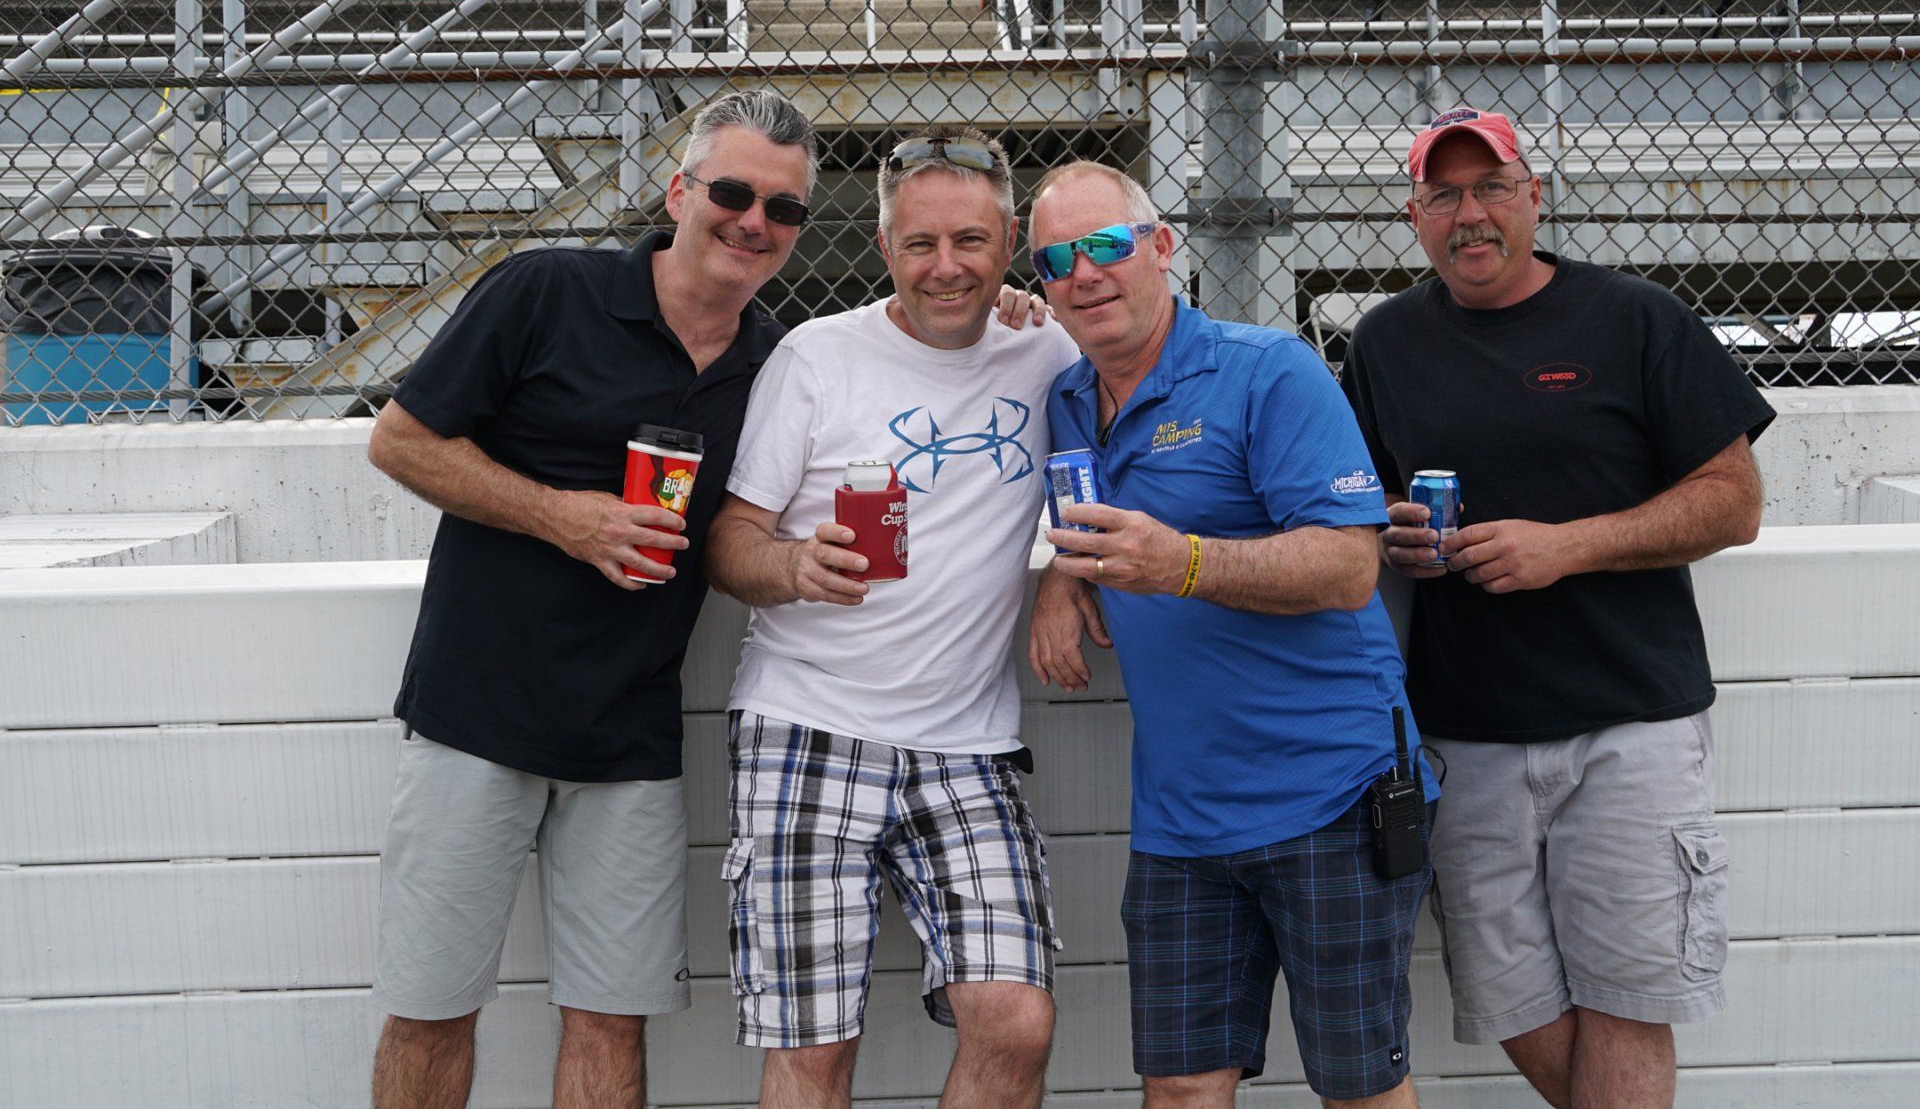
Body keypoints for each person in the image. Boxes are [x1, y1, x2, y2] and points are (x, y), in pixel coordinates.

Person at [362, 89, 819, 1109]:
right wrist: (564, 517)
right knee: (431, 1006)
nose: (754, 222)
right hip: (476, 714)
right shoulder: (546, 291)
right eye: (735, 192)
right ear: (678, 191)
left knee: (611, 1019)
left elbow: (901, 354)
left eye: (782, 210)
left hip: (630, 738)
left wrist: (1013, 307)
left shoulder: (780, 365)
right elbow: (400, 440)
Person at [1339, 107, 1773, 1109]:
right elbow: (1349, 514)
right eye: (1443, 195)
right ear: (1414, 217)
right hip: (1465, 732)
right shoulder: (1386, 343)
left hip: (1632, 721)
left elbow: (1734, 503)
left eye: (1490, 187)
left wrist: (1564, 548)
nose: (1470, 214)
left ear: (1534, 195)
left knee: (1629, 999)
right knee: (1512, 1003)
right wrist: (1395, 537)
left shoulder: (1634, 318)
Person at [1025, 161, 1438, 1109]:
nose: (1085, 273)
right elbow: (1087, 523)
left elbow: (1348, 566)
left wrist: (1185, 564)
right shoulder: (1066, 401)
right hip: (1182, 820)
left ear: (1162, 248)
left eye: (1106, 246)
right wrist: (1059, 576)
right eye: (1057, 259)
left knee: (1359, 1088)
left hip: (1332, 794)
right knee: (1178, 1089)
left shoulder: (1267, 369)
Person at [703, 127, 1079, 1109]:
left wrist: (1064, 578)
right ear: (885, 249)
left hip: (967, 743)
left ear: (1009, 247)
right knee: (812, 1047)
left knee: (1016, 1016)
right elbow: (730, 542)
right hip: (807, 724)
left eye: (969, 242)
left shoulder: (1047, 348)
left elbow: (1105, 489)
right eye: (921, 244)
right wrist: (793, 565)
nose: (945, 267)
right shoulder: (817, 357)